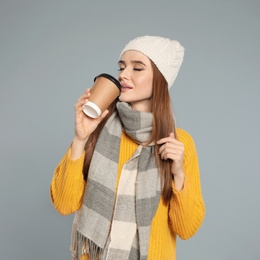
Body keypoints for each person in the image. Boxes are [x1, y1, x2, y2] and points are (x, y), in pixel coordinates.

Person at [50, 35, 205, 260]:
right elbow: (64, 204)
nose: (123, 74)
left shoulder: (179, 143)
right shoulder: (97, 129)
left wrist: (178, 173)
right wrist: (80, 138)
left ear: (161, 79)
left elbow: (187, 228)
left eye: (137, 68)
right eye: (122, 67)